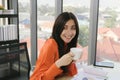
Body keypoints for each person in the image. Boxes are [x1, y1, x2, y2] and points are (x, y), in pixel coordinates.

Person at [30, 12, 79, 80]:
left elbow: (71, 75)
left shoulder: (67, 44)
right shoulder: (50, 45)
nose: (69, 33)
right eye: (65, 28)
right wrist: (58, 64)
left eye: (73, 28)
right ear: (58, 28)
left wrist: (72, 61)